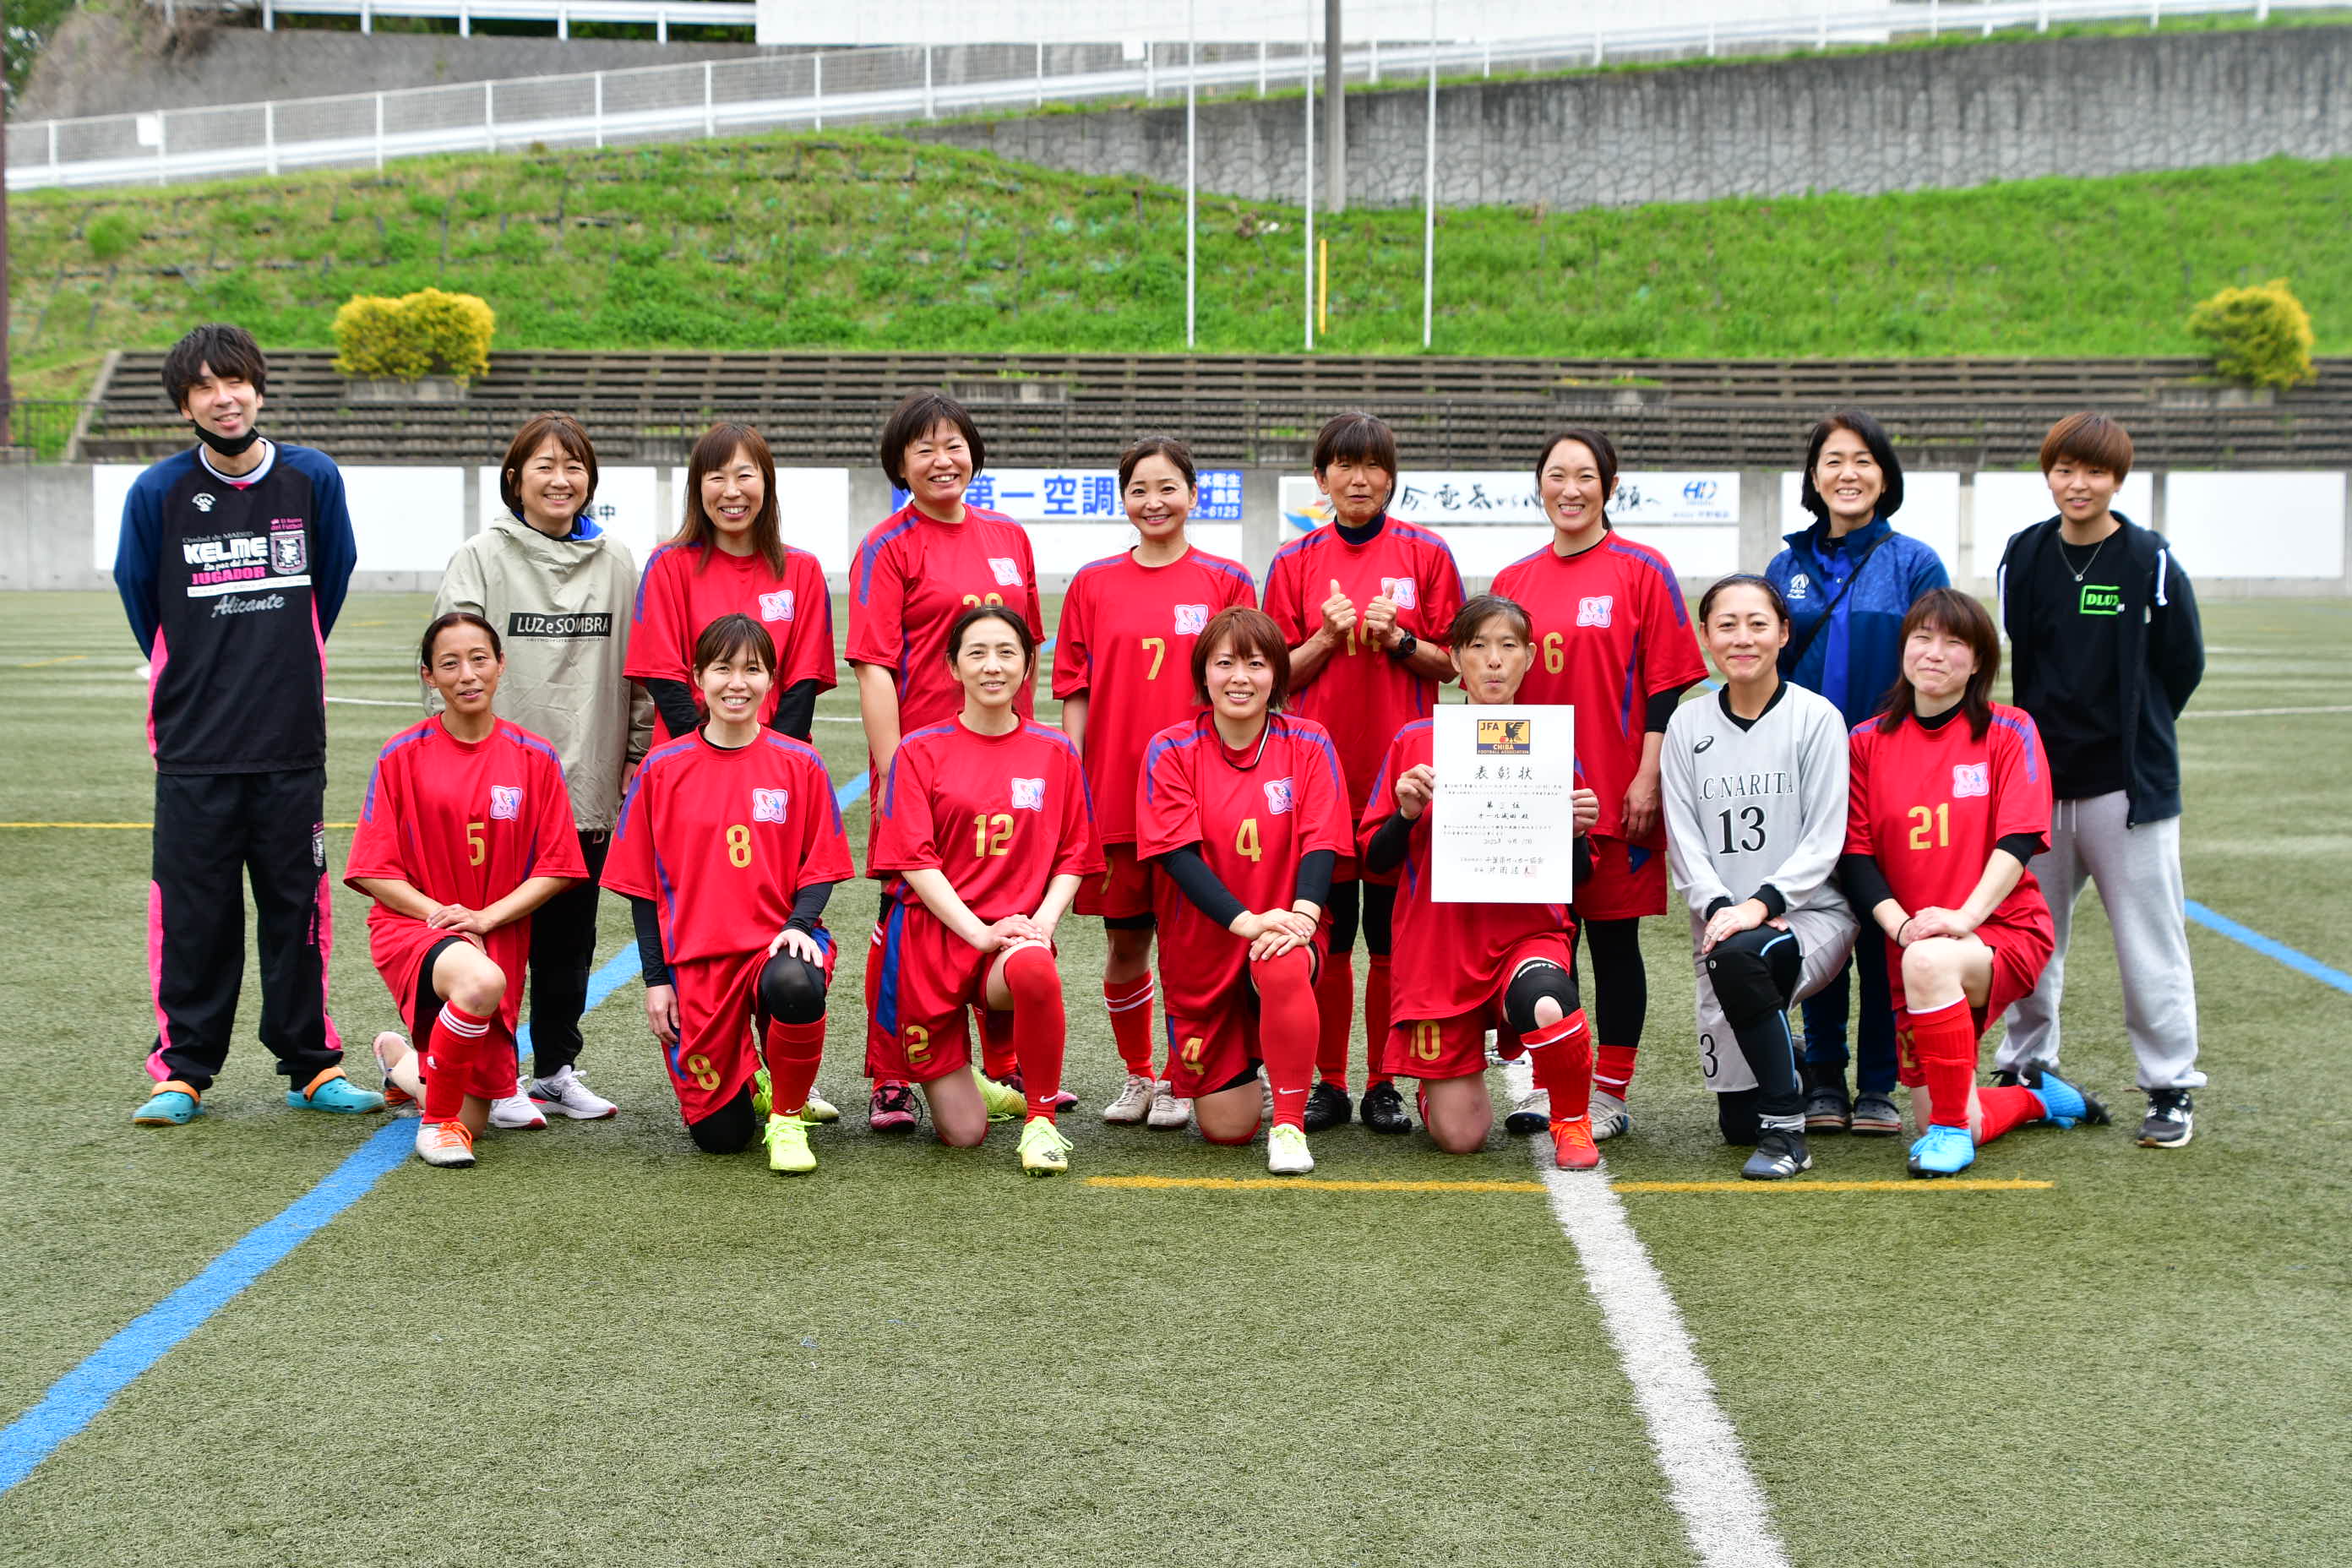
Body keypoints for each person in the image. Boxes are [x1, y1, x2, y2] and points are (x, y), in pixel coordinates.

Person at [116, 323, 381, 1125]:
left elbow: (327, 585)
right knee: (194, 914)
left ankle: (311, 1064)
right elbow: (141, 600)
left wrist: (280, 658)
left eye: (233, 382)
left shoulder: (312, 478)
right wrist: (198, 670)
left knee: (296, 908)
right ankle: (183, 1070)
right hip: (193, 747)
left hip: (290, 741)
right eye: (202, 388)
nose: (222, 399)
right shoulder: (156, 493)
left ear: (258, 388)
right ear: (185, 405)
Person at [1839, 589, 2108, 1178]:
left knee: (1933, 967)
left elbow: (2019, 839)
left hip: (2003, 929)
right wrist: (1901, 925)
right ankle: (2040, 1099)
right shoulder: (1864, 743)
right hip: (1911, 942)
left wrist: (1961, 918)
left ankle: (1949, 1134)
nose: (1935, 654)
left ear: (1980, 661)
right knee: (1954, 1108)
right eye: (1923, 638)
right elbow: (1856, 854)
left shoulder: (2010, 731)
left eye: (1954, 643)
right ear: (1904, 649)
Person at [432, 411, 651, 1130]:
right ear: (514, 479)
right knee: (490, 940)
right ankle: (484, 1076)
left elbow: (643, 670)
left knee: (569, 942)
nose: (561, 480)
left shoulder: (618, 560)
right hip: (497, 789)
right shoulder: (482, 556)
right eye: (545, 466)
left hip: (586, 782)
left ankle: (554, 1068)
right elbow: (455, 660)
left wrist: (636, 751)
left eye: (575, 467)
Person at [1995, 413, 2206, 1149]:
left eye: (2093, 472)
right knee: (2028, 936)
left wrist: (2139, 732)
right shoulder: (2024, 553)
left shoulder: (2148, 558)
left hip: (2126, 790)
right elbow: (2022, 648)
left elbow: (2184, 664)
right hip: (2039, 788)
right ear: (2048, 473)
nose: (2077, 485)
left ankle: (2170, 1084)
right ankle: (2024, 1067)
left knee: (2149, 941)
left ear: (2118, 478)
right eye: (2063, 469)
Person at [1490, 429, 1707, 1141]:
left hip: (1614, 795)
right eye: (1556, 475)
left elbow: (1664, 690)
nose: (1570, 489)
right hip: (1529, 799)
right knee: (1544, 945)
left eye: (1585, 476)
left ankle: (1608, 1092)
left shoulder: (1642, 569)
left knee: (1614, 944)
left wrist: (1646, 777)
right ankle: (1553, 1087)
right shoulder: (1515, 581)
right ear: (1540, 486)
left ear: (1610, 487)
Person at [849, 391, 1048, 1133]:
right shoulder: (887, 546)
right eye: (924, 449)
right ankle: (892, 1073)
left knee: (1006, 901)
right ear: (900, 464)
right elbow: (873, 669)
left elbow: (1021, 654)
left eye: (954, 444)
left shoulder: (1008, 537)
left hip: (1002, 762)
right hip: (924, 769)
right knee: (902, 919)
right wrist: (897, 772)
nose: (943, 460)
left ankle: (1004, 1065)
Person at [1261, 411, 1464, 1136]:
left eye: (1372, 466)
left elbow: (1458, 662)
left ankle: (1384, 1081)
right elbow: (1269, 677)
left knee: (1392, 937)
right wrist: (1326, 637)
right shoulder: (1294, 562)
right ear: (1320, 479)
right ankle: (1329, 1082)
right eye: (1343, 466)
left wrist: (1400, 638)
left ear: (1390, 477)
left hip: (1405, 778)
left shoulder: (1426, 553)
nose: (1358, 479)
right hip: (1315, 774)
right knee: (1329, 937)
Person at [602, 615, 854, 1171]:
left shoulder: (800, 763)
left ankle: (788, 1117)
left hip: (772, 945)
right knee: (723, 1137)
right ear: (697, 677)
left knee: (795, 977)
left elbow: (821, 867)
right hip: (696, 965)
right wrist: (657, 981)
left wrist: (797, 926)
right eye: (723, 668)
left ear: (771, 680)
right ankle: (751, 1083)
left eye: (753, 669)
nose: (737, 682)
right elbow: (643, 888)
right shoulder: (662, 770)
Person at [1358, 596, 1602, 1168]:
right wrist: (1406, 814)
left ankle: (1571, 1121)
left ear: (1530, 658)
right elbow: (1373, 859)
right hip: (1437, 948)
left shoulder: (1546, 743)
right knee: (1461, 1137)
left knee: (1546, 1004)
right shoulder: (1416, 743)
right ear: (1455, 659)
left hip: (1524, 936)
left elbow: (1578, 880)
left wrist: (1574, 835)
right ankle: (1436, 1085)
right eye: (1477, 646)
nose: (1493, 661)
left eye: (1508, 646)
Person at [1057, 438, 1257, 1130]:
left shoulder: (1226, 581)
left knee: (1194, 942)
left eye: (1168, 487)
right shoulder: (1091, 583)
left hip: (1202, 796)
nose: (1154, 502)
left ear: (1194, 495)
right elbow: (1075, 691)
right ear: (1124, 500)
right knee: (1125, 943)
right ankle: (1140, 1074)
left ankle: (1181, 1074)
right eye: (1139, 489)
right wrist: (1074, 778)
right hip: (1114, 790)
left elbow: (1246, 686)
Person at [1765, 409, 1949, 1138]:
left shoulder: (1915, 563)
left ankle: (1877, 1083)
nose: (1849, 473)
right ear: (1813, 477)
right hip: (1804, 774)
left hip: (1890, 772)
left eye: (1865, 460)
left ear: (1886, 475)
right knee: (1817, 920)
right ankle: (1823, 1077)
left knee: (1882, 926)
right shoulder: (1786, 567)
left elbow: (1939, 666)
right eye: (1834, 460)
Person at [867, 607, 1102, 1176]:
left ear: (1028, 668)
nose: (992, 666)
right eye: (977, 653)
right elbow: (913, 859)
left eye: (1006, 653)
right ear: (953, 667)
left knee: (1035, 966)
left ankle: (1040, 1121)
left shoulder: (1055, 753)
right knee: (965, 1135)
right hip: (934, 941)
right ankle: (968, 1077)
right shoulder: (919, 752)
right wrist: (979, 931)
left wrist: (1041, 926)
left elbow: (1074, 854)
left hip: (1012, 942)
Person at [347, 614, 585, 1168]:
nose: (467, 674)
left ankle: (398, 1060)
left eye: (479, 658)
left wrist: (485, 917)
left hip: (493, 932)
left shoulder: (535, 757)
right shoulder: (401, 755)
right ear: (430, 677)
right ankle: (436, 1129)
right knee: (480, 982)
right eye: (450, 664)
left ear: (501, 665)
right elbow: (372, 868)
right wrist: (444, 914)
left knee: (478, 1113)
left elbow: (558, 866)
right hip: (416, 928)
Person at [1661, 575, 1859, 1180]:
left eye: (1757, 624)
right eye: (1726, 625)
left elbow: (1826, 837)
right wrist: (1725, 906)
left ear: (1783, 632)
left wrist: (1759, 905)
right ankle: (1788, 1065)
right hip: (1720, 926)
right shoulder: (1687, 726)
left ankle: (1786, 1134)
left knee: (1742, 955)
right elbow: (1685, 841)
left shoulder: (1816, 718)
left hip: (1811, 915)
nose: (1742, 638)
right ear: (1705, 637)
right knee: (1732, 1126)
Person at [1135, 608, 1347, 1174]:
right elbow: (1177, 855)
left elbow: (1320, 838)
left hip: (1284, 933)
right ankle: (1261, 1071)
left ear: (1276, 674)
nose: (1239, 677)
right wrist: (1246, 920)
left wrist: (1300, 918)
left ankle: (1291, 1127)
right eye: (1224, 662)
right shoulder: (1171, 748)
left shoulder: (1308, 741)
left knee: (1280, 964)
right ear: (1203, 674)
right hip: (1206, 946)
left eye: (1255, 663)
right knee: (1227, 1131)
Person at [627, 422, 836, 747]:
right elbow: (664, 677)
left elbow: (803, 682)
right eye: (716, 477)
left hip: (775, 764)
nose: (731, 491)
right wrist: (706, 755)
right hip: (686, 756)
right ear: (698, 487)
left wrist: (769, 759)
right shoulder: (667, 565)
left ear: (767, 482)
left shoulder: (803, 570)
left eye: (744, 475)